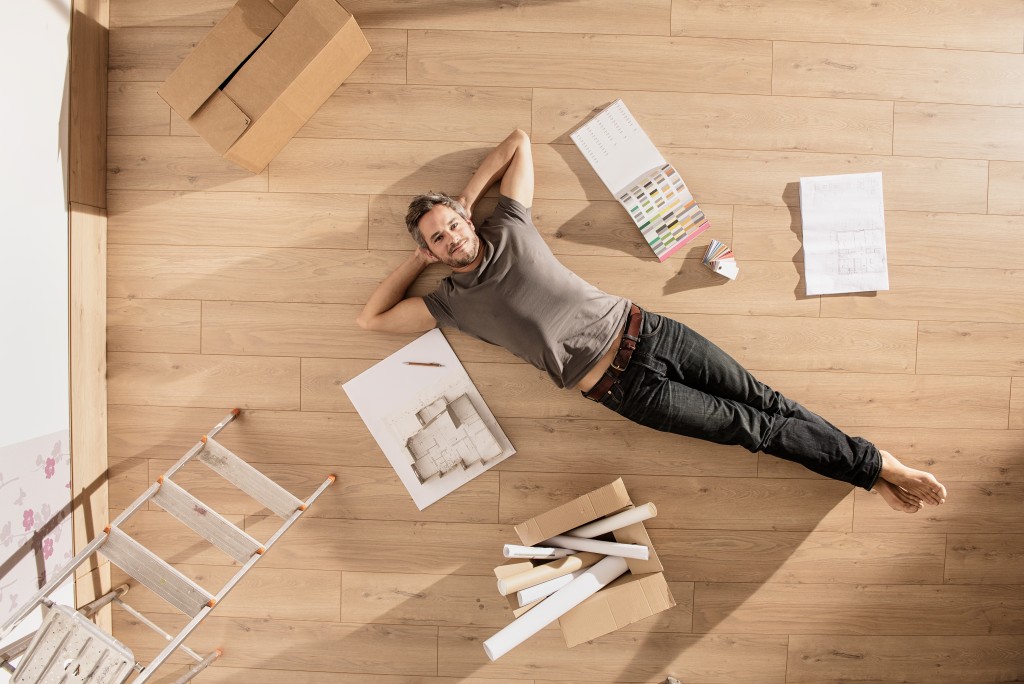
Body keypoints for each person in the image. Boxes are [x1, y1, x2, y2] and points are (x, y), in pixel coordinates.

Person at [357, 129, 947, 513]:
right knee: (754, 429)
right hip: (624, 388)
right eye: (439, 240)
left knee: (766, 399)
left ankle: (872, 470)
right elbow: (371, 318)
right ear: (432, 254)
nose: (453, 238)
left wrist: (463, 200)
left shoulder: (508, 224)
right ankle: (874, 466)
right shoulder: (450, 302)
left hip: (651, 331)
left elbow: (517, 142)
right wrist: (415, 258)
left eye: (453, 226)